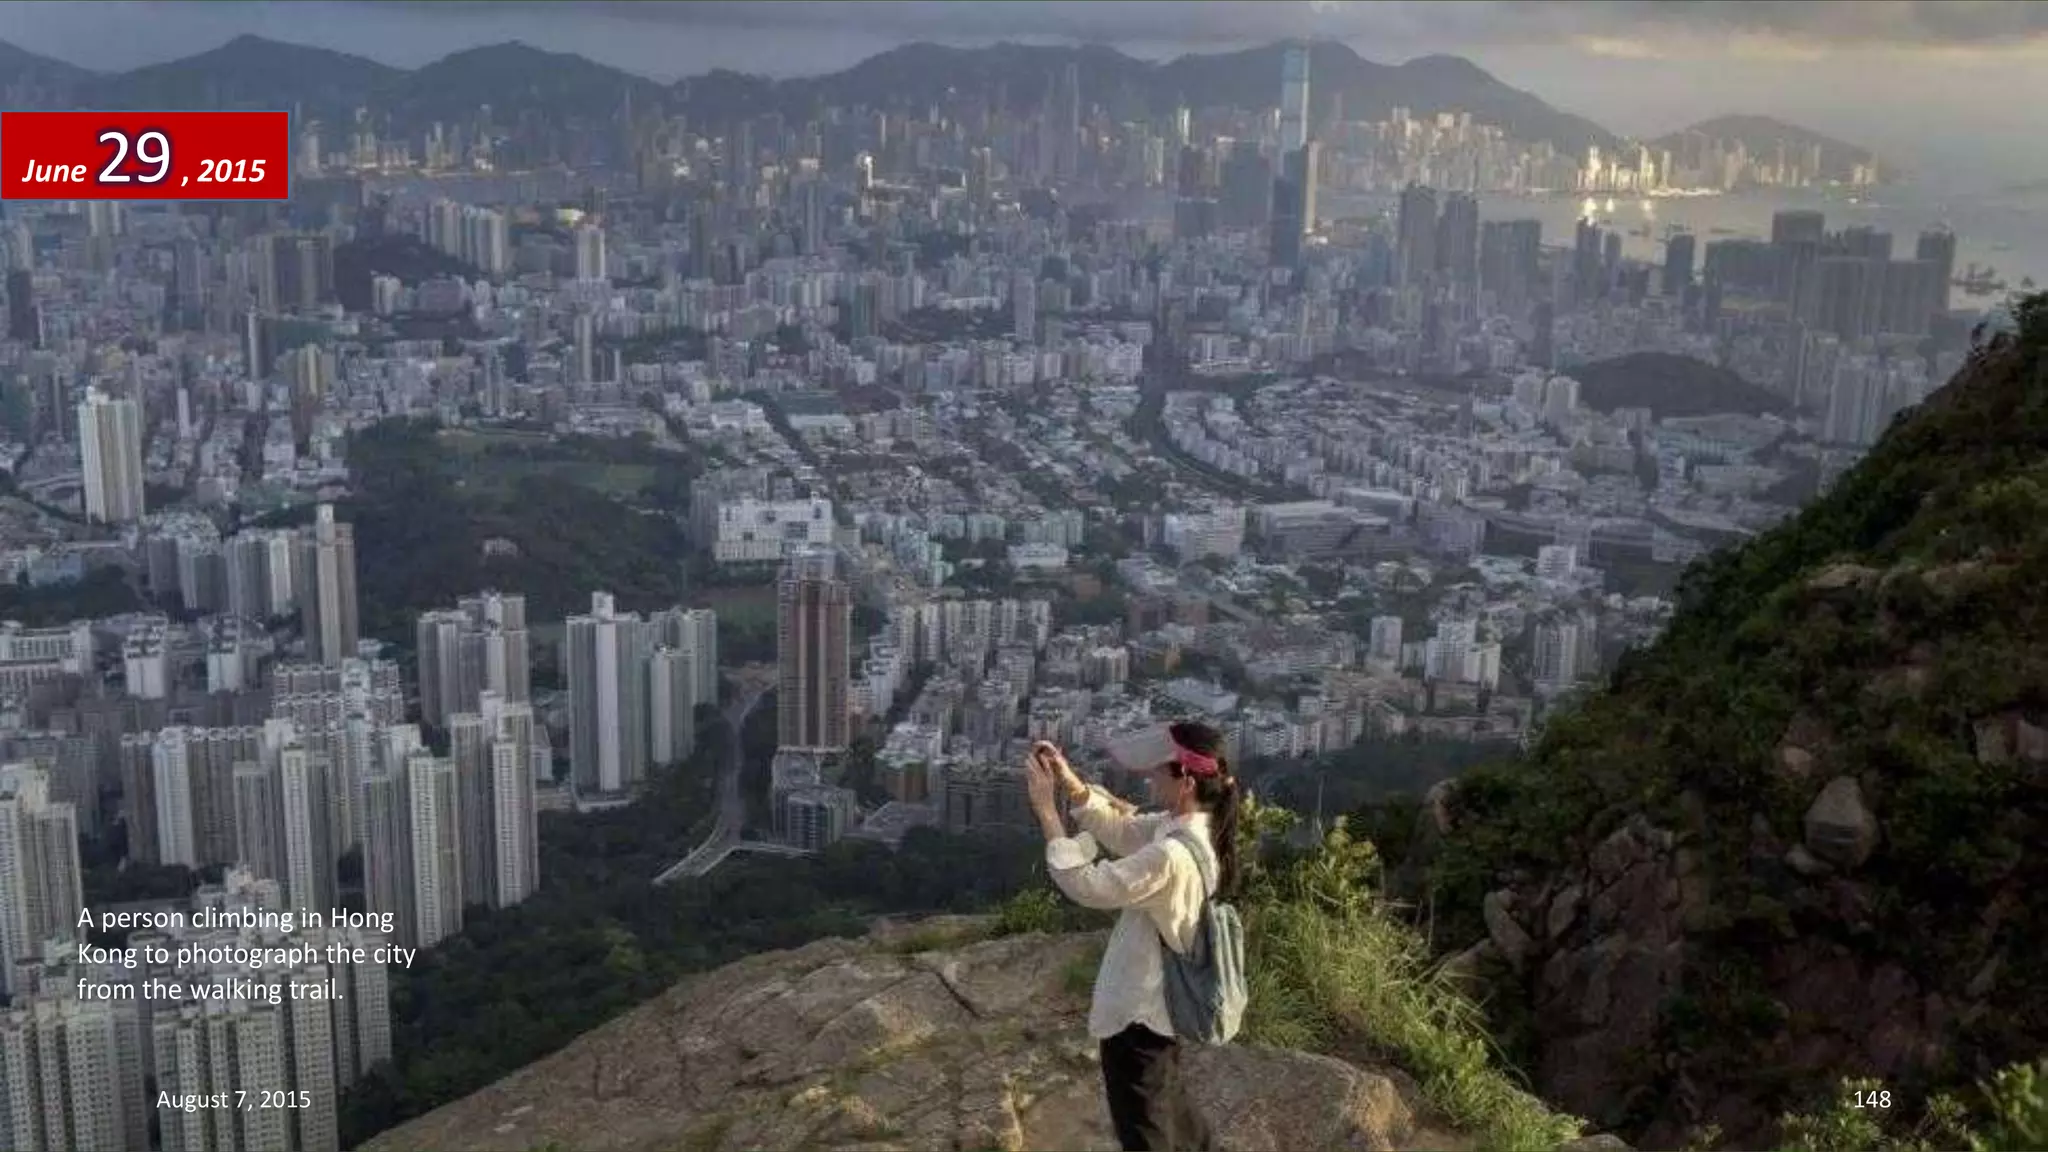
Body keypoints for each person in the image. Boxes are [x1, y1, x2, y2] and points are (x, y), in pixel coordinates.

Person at [1024, 721, 1242, 1152]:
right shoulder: (1192, 828)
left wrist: (1047, 812)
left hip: (1138, 1017)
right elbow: (1124, 831)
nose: (1150, 776)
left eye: (1160, 769)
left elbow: (1088, 885)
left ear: (1186, 781)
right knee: (1175, 1119)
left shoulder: (1170, 856)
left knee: (1146, 1132)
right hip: (1157, 1011)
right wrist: (1071, 784)